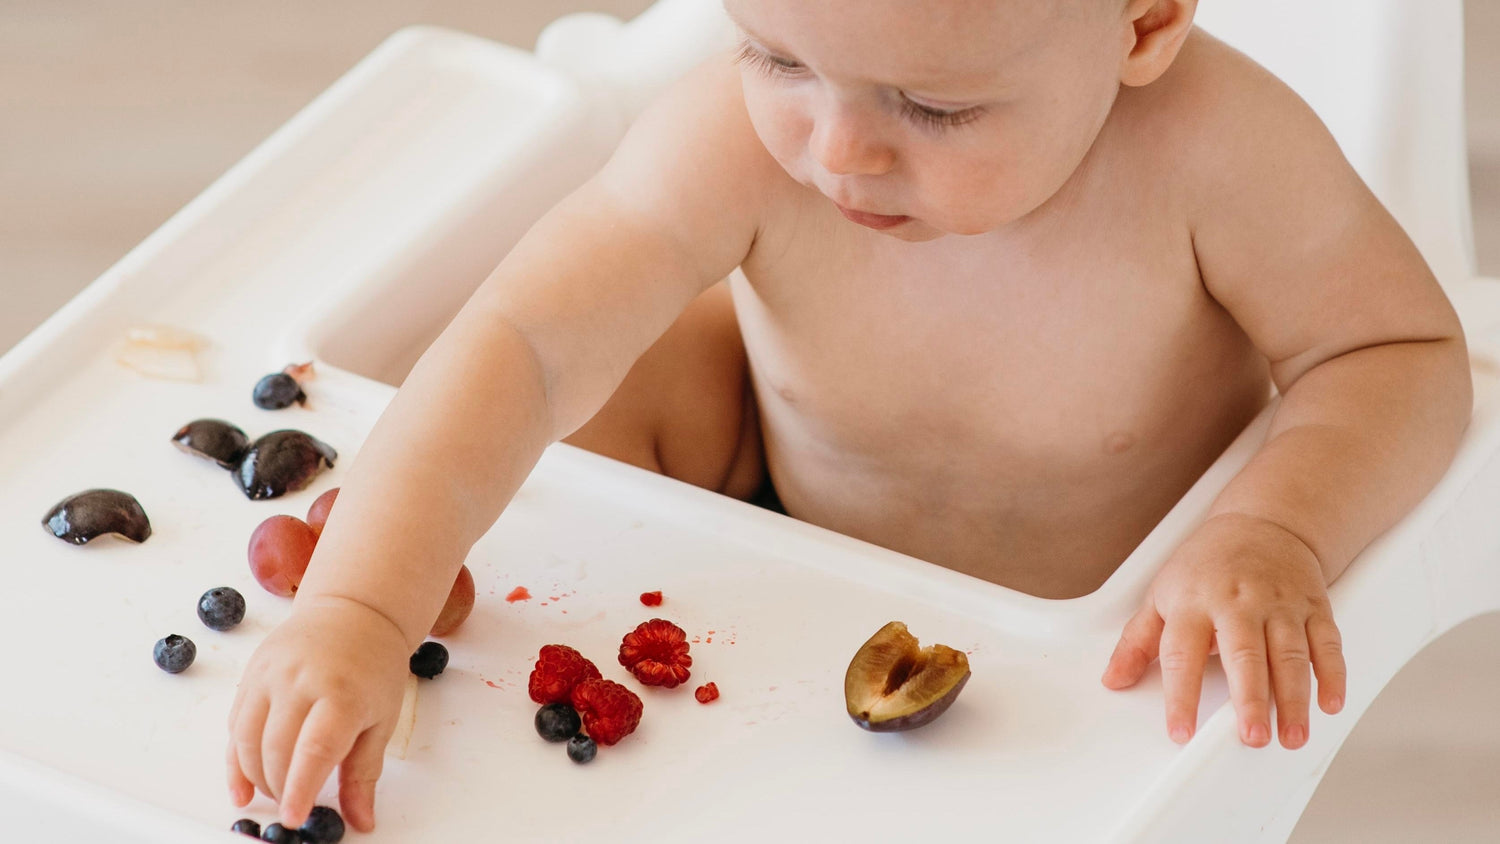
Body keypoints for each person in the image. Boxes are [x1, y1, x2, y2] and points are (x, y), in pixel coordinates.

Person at [227, 0, 1473, 831]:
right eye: (775, 55)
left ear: (1141, 20)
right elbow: (527, 342)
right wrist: (363, 603)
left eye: (933, 109)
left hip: (1067, 661)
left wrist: (1281, 531)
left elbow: (1401, 350)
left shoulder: (1220, 155)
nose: (836, 153)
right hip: (761, 544)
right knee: (603, 354)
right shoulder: (736, 143)